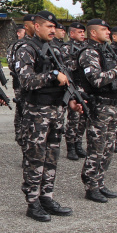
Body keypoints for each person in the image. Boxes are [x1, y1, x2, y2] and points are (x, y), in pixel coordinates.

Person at [16, 11, 75, 221]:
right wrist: (50, 75)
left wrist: (71, 98)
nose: (52, 30)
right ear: (36, 26)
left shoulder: (56, 49)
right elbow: (25, 80)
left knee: (52, 156)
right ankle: (33, 201)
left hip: (57, 109)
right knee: (35, 156)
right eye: (48, 26)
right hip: (37, 111)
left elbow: (67, 77)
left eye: (54, 27)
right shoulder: (26, 48)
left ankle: (46, 197)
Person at [76, 18, 117, 202]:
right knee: (96, 148)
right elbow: (96, 79)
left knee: (108, 147)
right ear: (93, 33)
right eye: (104, 30)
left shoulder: (108, 51)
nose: (108, 33)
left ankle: (100, 182)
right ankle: (91, 186)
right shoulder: (89, 52)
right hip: (99, 105)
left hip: (114, 104)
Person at [63, 21, 89, 161]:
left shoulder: (86, 46)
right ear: (71, 33)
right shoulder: (66, 48)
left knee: (83, 117)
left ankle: (78, 144)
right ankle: (70, 147)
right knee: (74, 118)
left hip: (85, 85)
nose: (82, 35)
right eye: (79, 32)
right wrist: (81, 62)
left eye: (83, 32)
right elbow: (66, 66)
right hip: (74, 85)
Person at [9, 16, 36, 145]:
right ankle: (19, 132)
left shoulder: (39, 44)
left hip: (35, 84)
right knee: (20, 106)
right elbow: (11, 63)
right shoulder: (18, 45)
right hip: (20, 82)